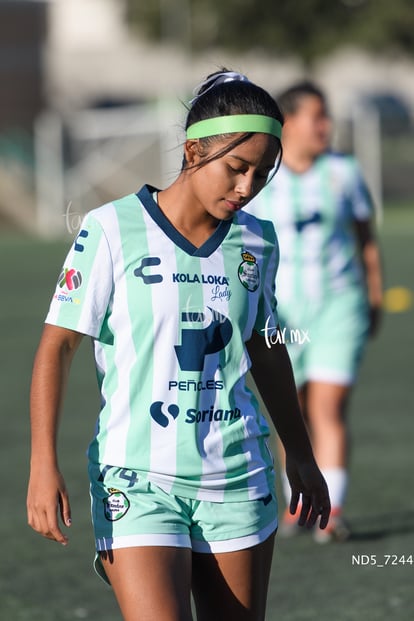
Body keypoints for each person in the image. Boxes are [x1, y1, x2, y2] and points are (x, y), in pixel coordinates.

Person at [27, 70, 330, 621]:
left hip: (239, 476)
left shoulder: (257, 242)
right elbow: (58, 346)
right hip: (135, 479)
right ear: (193, 151)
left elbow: (267, 349)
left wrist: (302, 455)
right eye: (236, 168)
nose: (247, 187)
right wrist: (42, 463)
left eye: (261, 175)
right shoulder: (111, 228)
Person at [246, 81, 383, 543]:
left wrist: (375, 293)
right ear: (289, 123)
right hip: (280, 315)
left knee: (328, 405)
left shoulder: (344, 172)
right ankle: (300, 505)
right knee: (294, 408)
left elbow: (366, 238)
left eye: (327, 116)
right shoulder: (263, 178)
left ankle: (334, 510)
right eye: (316, 116)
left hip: (339, 305)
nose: (325, 125)